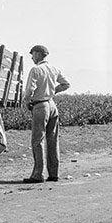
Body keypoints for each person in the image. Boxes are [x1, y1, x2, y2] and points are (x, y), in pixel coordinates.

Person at [22, 45, 70, 183]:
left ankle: (37, 175)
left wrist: (27, 102)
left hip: (41, 105)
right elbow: (66, 84)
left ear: (38, 54)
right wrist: (53, 91)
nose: (31, 57)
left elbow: (30, 90)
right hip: (52, 105)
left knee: (37, 140)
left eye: (33, 54)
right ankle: (53, 174)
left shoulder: (36, 70)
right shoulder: (54, 69)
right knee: (53, 140)